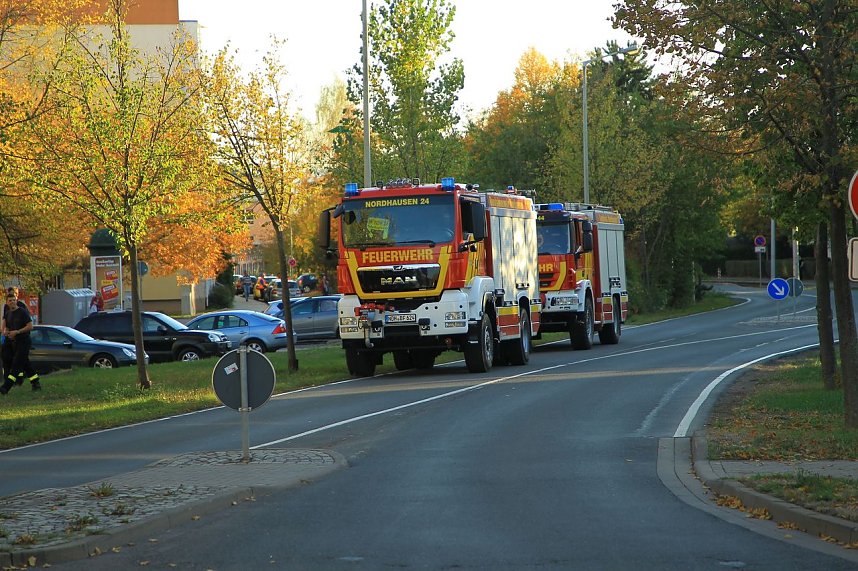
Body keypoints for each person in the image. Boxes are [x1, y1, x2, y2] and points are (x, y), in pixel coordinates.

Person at [1, 289, 39, 393]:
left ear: (16, 301)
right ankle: (36, 382)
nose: (12, 302)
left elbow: (30, 326)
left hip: (24, 341)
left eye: (14, 300)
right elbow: (7, 326)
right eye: (10, 300)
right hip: (14, 342)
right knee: (25, 363)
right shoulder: (8, 314)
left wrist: (17, 332)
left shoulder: (22, 312)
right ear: (7, 302)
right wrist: (6, 331)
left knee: (17, 363)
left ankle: (6, 387)